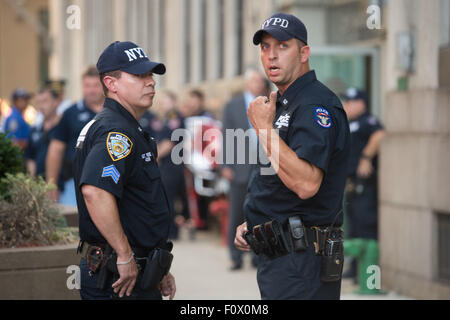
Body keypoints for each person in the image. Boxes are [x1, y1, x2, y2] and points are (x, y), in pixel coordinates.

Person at [234, 12, 350, 300]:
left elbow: (306, 184)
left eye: (282, 46)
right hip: (283, 256)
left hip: (303, 261)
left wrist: (262, 128)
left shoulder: (314, 105)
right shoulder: (286, 103)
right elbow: (280, 176)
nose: (271, 56)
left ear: (304, 53)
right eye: (265, 47)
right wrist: (256, 219)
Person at [73, 41, 176, 300]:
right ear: (111, 83)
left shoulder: (127, 127)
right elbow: (95, 192)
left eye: (150, 75)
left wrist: (158, 266)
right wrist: (124, 254)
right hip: (117, 277)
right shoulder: (115, 131)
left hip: (135, 271)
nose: (150, 82)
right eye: (139, 75)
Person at [221, 68, 268, 270]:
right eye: (255, 80)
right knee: (237, 212)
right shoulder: (233, 106)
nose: (258, 83)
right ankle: (236, 257)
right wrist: (225, 165)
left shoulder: (269, 103)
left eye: (260, 80)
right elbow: (225, 135)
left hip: (264, 165)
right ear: (247, 83)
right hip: (239, 167)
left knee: (261, 212)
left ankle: (258, 255)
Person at [341, 87, 385, 279]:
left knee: (366, 227)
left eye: (349, 102)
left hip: (365, 185)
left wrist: (366, 157)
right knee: (354, 227)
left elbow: (379, 135)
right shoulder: (350, 124)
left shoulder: (369, 121)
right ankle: (356, 268)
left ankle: (369, 276)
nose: (346, 106)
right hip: (351, 185)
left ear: (361, 104)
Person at [46, 67, 104, 205]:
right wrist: (51, 185)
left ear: (104, 86)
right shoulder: (70, 113)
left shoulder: (114, 112)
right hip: (75, 183)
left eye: (96, 85)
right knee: (74, 223)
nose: (91, 90)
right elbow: (56, 149)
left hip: (110, 180)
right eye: (87, 85)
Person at [24, 88, 63, 189]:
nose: (41, 106)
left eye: (45, 101)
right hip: (40, 187)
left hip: (62, 186)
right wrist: (31, 184)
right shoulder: (35, 130)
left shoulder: (64, 128)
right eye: (38, 102)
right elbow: (31, 159)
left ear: (55, 102)